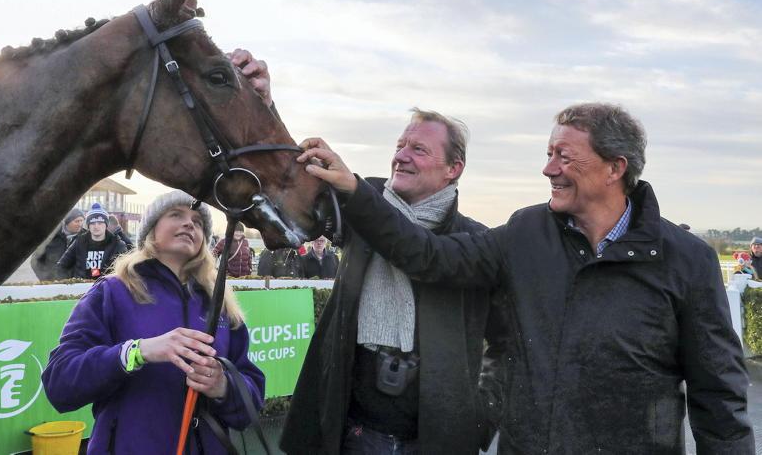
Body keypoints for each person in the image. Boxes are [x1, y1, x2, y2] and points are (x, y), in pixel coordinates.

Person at [299, 102, 754, 454]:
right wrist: (356, 190)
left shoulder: (687, 260)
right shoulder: (524, 233)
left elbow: (719, 396)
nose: (548, 168)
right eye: (548, 154)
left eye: (564, 157)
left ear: (615, 168)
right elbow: (429, 256)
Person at [282, 108, 503, 455]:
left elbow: (508, 344)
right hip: (353, 435)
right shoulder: (359, 207)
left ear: (453, 168)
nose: (401, 156)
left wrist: (481, 417)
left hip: (435, 444)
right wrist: (262, 99)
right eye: (400, 146)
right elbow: (286, 187)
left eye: (418, 149)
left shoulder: (476, 241)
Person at [42, 190, 265, 454]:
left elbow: (250, 403)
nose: (189, 224)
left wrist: (222, 387)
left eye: (197, 221)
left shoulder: (221, 304)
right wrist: (136, 352)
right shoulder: (112, 291)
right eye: (176, 214)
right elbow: (59, 383)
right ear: (151, 230)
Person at [57, 203, 128, 279]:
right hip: (81, 285)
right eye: (92, 223)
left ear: (106, 225)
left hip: (106, 285)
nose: (96, 226)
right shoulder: (79, 242)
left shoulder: (117, 244)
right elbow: (62, 266)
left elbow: (125, 269)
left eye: (100, 223)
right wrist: (70, 282)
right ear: (88, 225)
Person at [31, 208, 85, 280]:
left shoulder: (86, 236)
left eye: (82, 221)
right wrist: (45, 278)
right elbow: (35, 260)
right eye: (77, 221)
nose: (80, 224)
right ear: (67, 222)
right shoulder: (52, 236)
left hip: (77, 283)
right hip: (53, 283)